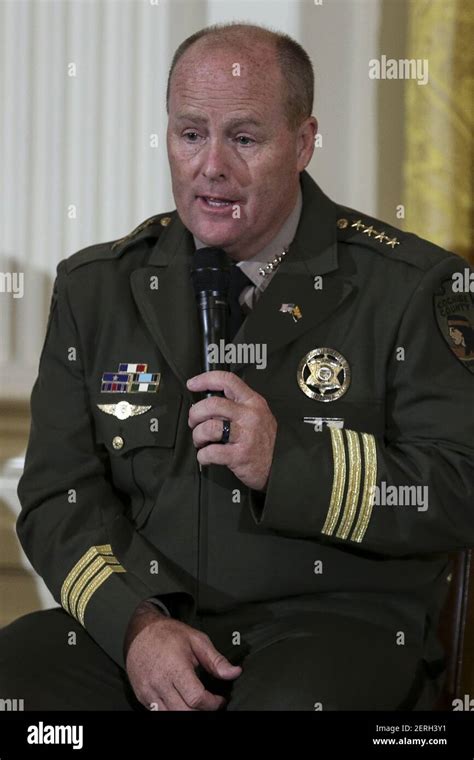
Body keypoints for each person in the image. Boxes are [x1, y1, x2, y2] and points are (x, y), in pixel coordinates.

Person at [1, 21, 473, 712]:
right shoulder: (96, 288)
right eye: (190, 134)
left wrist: (291, 463)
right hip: (151, 618)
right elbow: (54, 497)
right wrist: (135, 626)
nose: (210, 165)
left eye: (243, 139)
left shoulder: (410, 286)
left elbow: (459, 486)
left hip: (333, 627)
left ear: (305, 142)